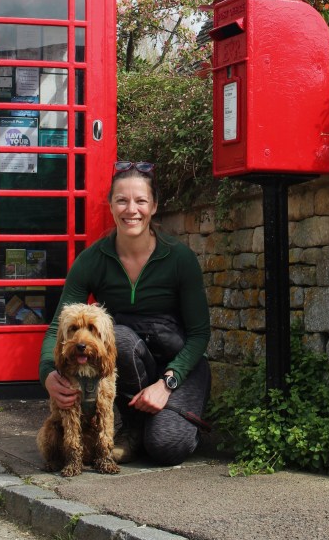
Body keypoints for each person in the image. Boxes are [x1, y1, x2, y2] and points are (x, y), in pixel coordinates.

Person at [39, 161, 211, 466]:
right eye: (122, 200)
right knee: (119, 337)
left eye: (141, 201)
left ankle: (166, 425)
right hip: (133, 359)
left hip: (178, 367)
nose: (131, 209)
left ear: (154, 206)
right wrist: (48, 374)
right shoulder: (92, 260)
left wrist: (167, 383)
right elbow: (58, 325)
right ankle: (132, 426)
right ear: (110, 205)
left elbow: (199, 334)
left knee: (167, 448)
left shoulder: (179, 258)